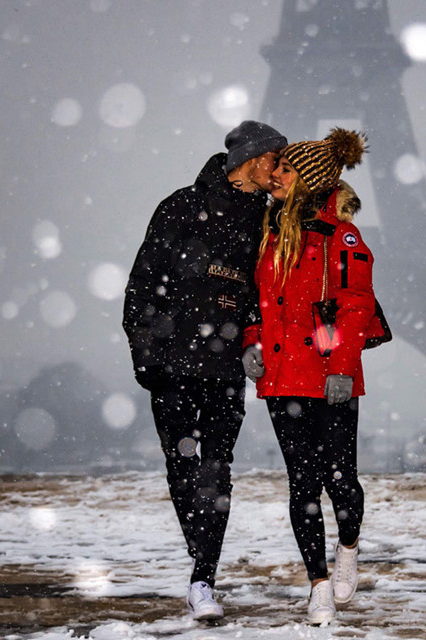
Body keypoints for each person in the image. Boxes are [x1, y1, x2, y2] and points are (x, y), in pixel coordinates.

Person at [122, 121, 286, 619]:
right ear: (254, 160)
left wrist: (254, 343)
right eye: (276, 160)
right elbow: (142, 283)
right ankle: (202, 561)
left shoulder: (269, 222)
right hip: (174, 367)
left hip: (224, 369)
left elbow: (265, 294)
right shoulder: (181, 208)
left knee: (216, 473)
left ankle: (202, 578)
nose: (280, 170)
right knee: (185, 469)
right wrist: (147, 356)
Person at [241, 128, 377, 624]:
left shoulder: (342, 236)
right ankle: (318, 584)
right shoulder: (269, 230)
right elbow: (258, 301)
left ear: (309, 180)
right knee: (302, 483)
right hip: (282, 377)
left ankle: (348, 546)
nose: (274, 176)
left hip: (328, 375)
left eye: (285, 170)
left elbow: (357, 304)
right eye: (275, 170)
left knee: (341, 481)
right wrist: (251, 341)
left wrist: (342, 367)